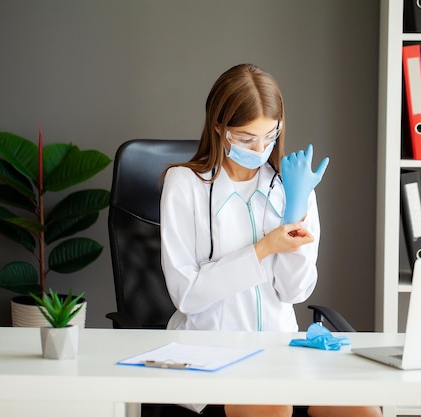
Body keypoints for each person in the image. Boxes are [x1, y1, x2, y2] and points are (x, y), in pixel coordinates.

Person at [160, 63, 382, 417]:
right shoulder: (184, 184)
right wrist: (263, 249)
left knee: (363, 408)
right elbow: (187, 295)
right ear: (219, 127)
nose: (260, 147)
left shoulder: (293, 188)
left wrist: (295, 212)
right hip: (210, 355)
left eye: (270, 135)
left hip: (280, 353)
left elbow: (294, 293)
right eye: (247, 138)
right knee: (273, 407)